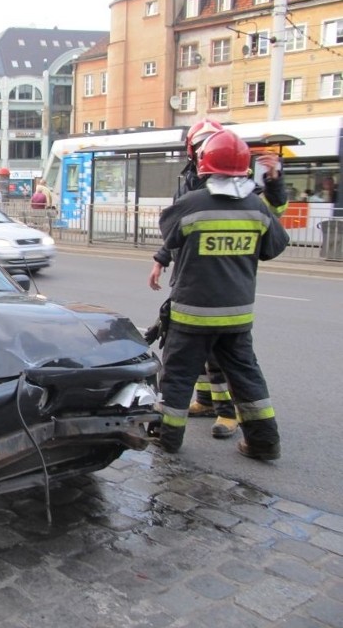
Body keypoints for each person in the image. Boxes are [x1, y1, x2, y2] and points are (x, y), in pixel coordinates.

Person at [150, 129, 290, 459]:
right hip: (237, 314)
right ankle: (264, 443)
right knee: (246, 377)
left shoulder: (191, 205)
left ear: (204, 165)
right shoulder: (256, 208)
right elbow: (273, 247)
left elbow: (170, 237)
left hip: (191, 313)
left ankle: (167, 439)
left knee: (176, 378)